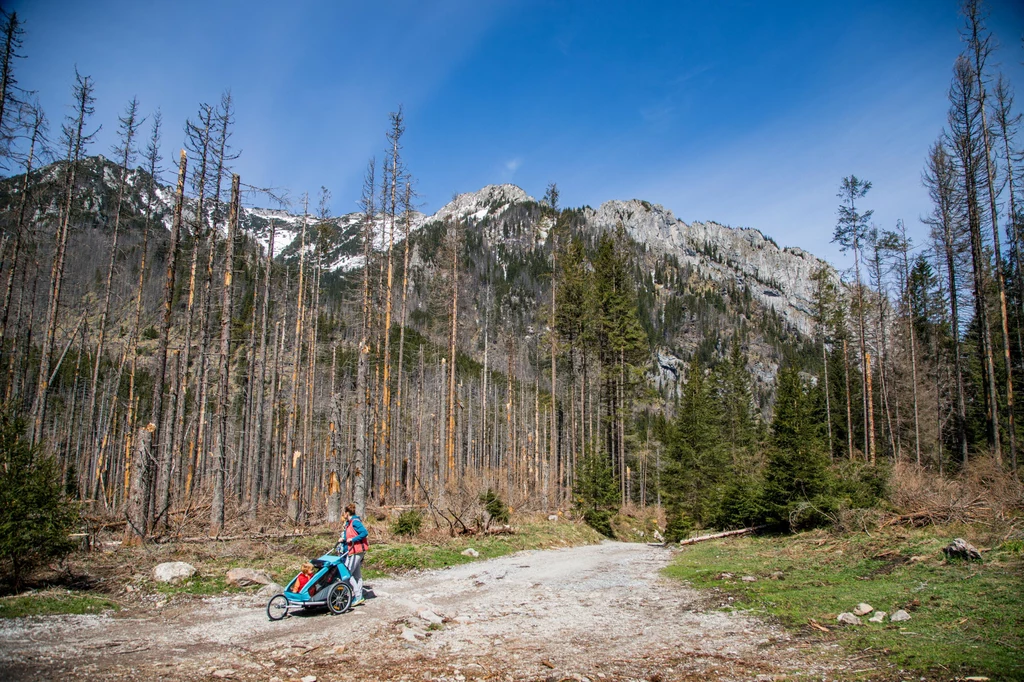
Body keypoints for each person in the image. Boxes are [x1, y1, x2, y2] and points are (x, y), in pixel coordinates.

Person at [340, 503, 368, 606]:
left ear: (347, 513)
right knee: (357, 575)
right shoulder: (350, 523)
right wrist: (344, 539)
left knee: (347, 573)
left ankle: (357, 596)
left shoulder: (355, 522)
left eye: (344, 513)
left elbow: (364, 532)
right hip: (354, 550)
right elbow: (350, 534)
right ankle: (359, 596)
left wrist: (353, 539)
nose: (343, 515)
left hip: (356, 550)